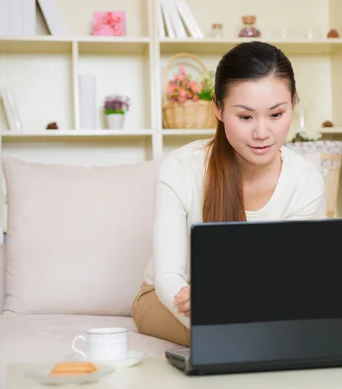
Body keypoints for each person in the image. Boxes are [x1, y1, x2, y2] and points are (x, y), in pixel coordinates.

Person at [131, 41, 326, 347]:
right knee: (244, 339)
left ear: (293, 106)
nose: (262, 132)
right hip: (169, 298)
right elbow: (169, 277)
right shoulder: (180, 169)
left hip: (254, 305)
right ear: (218, 110)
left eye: (276, 115)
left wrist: (233, 304)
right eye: (246, 117)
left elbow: (292, 279)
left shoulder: (305, 181)